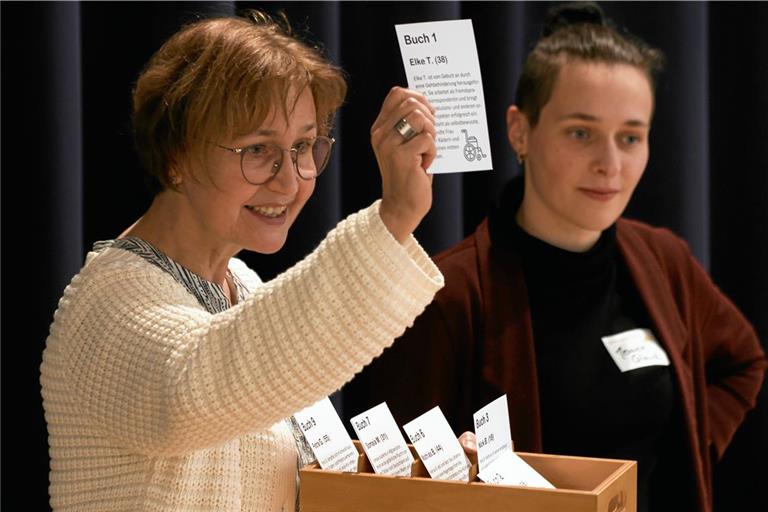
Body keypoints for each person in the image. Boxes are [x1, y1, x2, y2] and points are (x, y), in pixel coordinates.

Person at [342, 4, 767, 512]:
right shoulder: (448, 294)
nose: (610, 164)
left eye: (630, 137)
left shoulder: (663, 260)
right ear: (520, 132)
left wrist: (685, 454)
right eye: (581, 133)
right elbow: (388, 489)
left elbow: (742, 363)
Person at [40, 11, 445, 512]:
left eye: (302, 146)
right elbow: (200, 386)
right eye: (258, 149)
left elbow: (291, 474)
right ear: (176, 156)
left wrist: (422, 473)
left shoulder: (244, 286)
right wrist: (393, 219)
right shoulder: (105, 306)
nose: (290, 179)